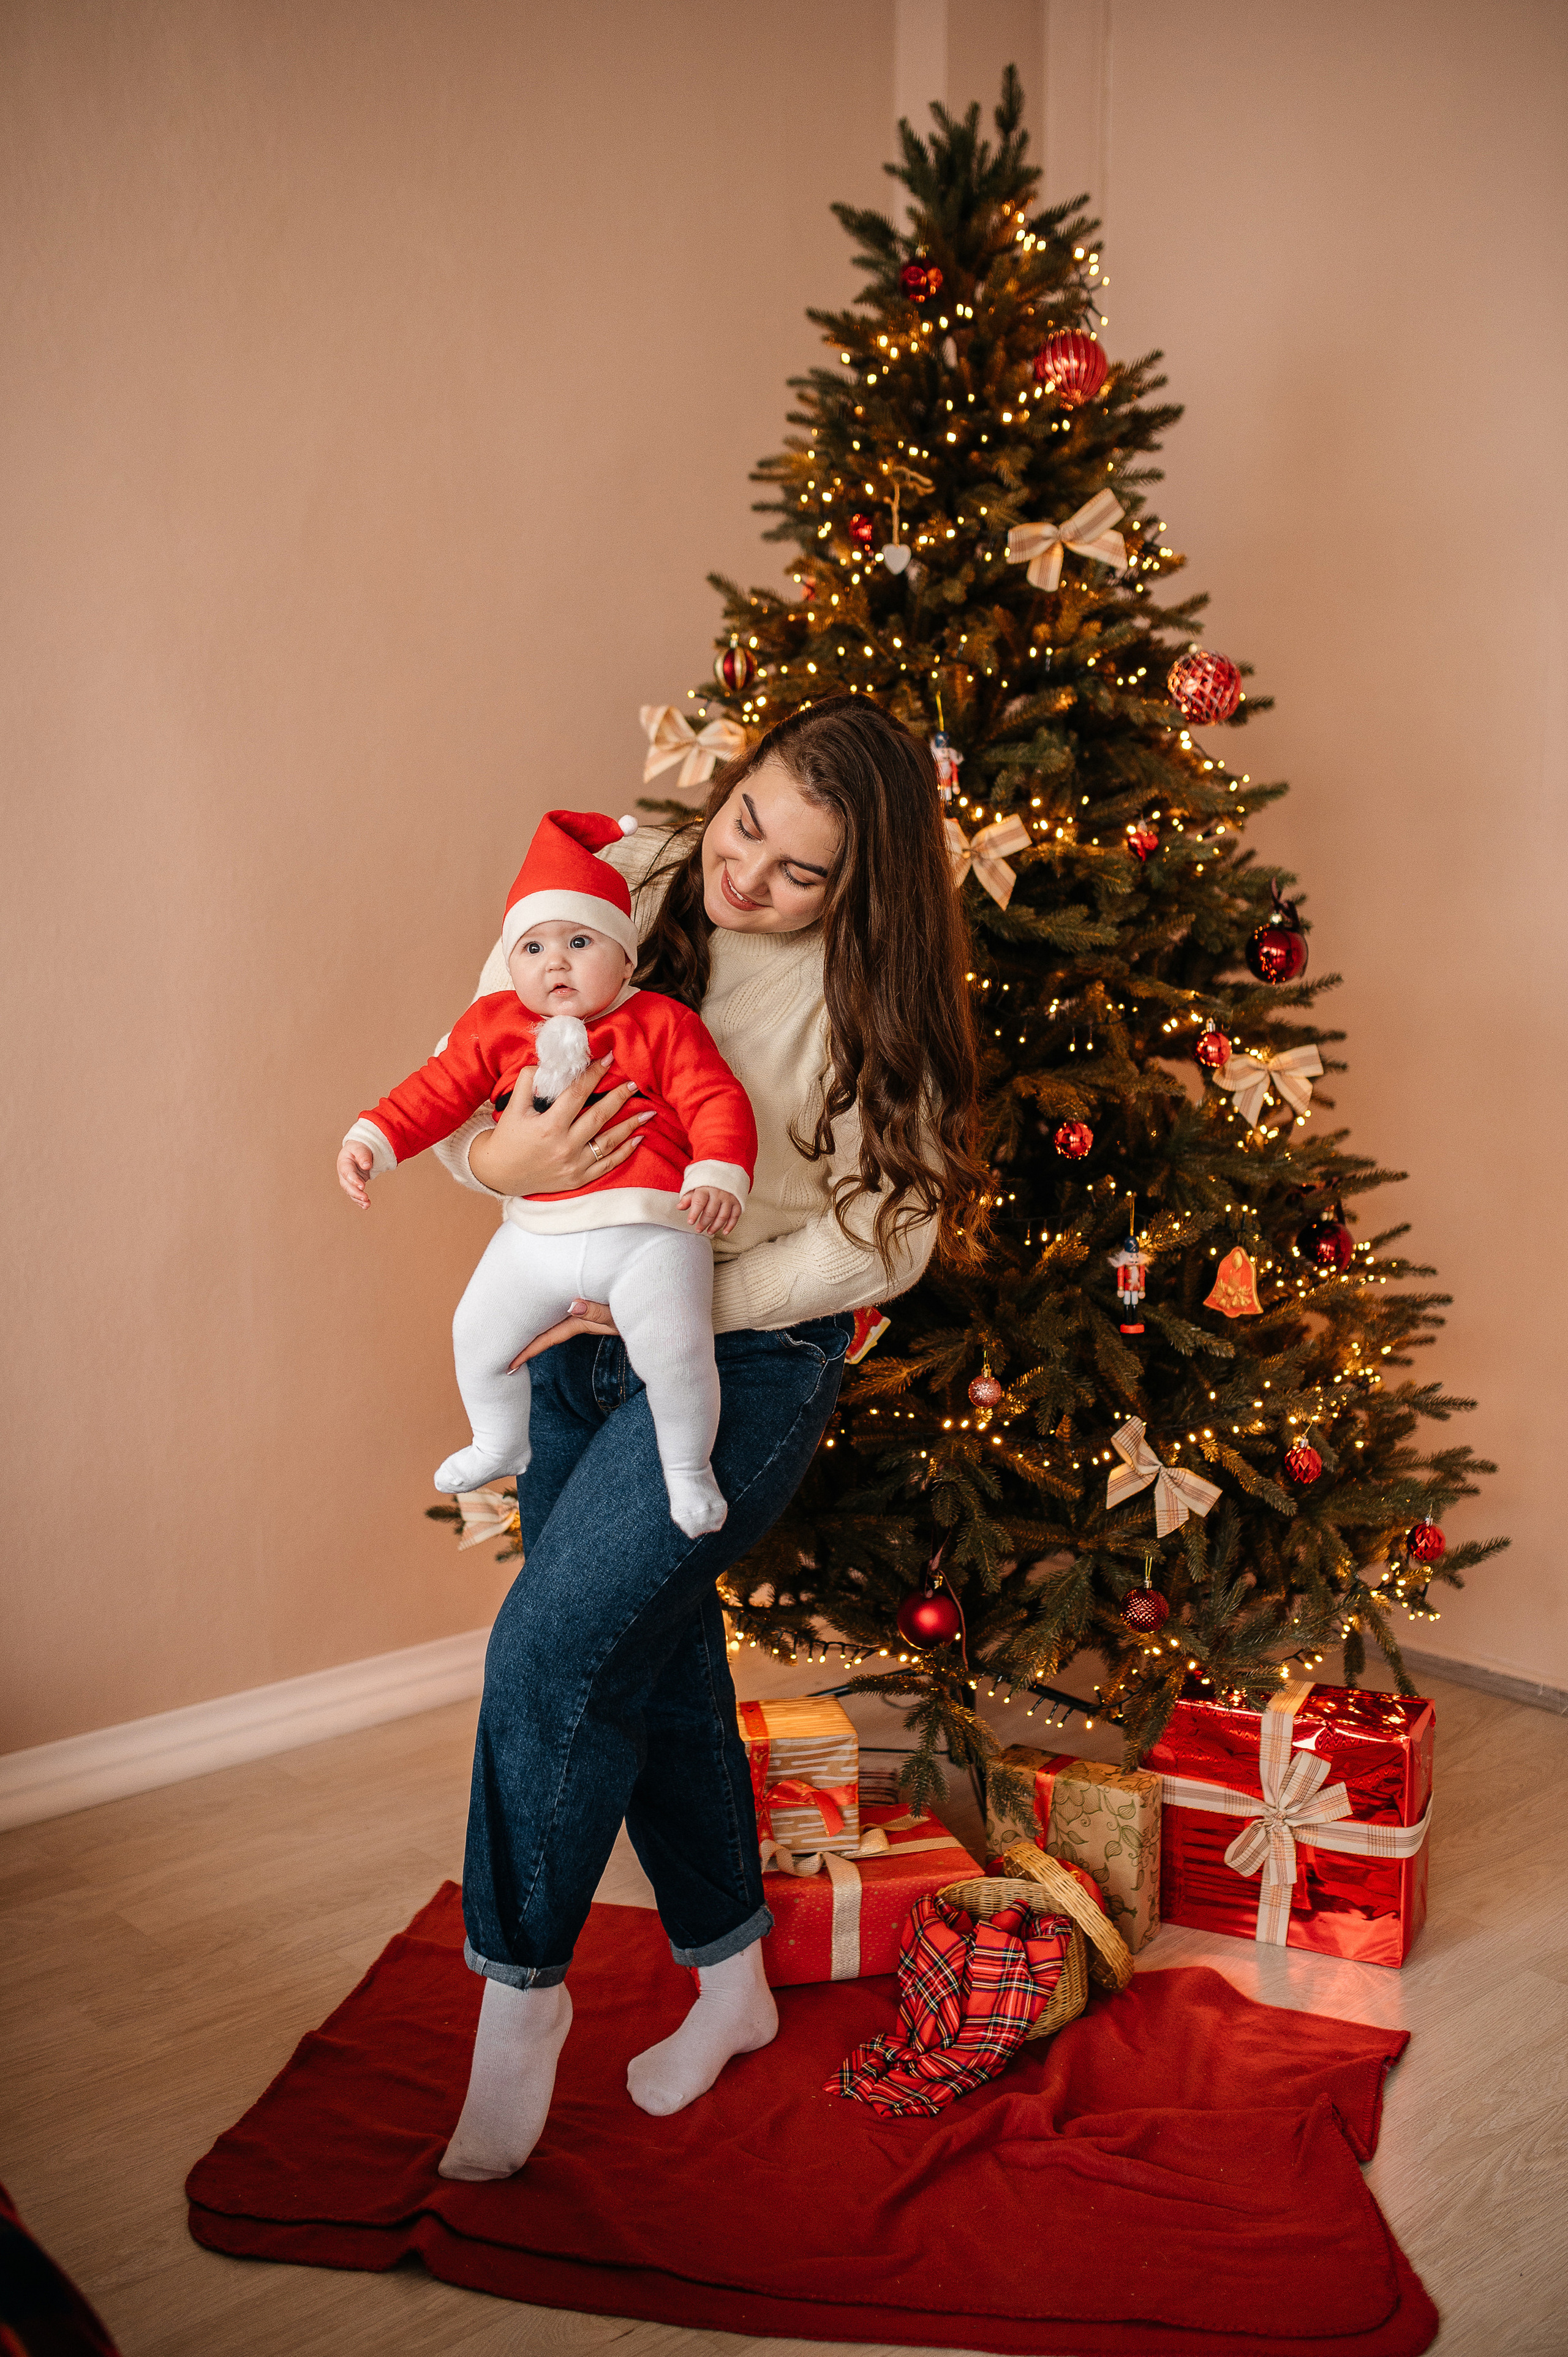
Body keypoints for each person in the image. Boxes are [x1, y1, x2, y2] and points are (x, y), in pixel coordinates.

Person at [431, 696, 983, 2181]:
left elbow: (892, 1234)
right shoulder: (639, 875)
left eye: (799, 870)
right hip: (576, 1343)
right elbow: (474, 1070)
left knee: (549, 1651)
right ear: (724, 789)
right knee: (654, 1661)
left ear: (856, 888)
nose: (748, 878)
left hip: (745, 1365)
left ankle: (518, 2009)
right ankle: (729, 1980)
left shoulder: (872, 1000)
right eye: (746, 825)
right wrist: (506, 1159)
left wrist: (675, 1289)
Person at [336, 808, 757, 1537]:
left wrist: (718, 1169)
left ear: (625, 959)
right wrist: (372, 1139)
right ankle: (499, 1440)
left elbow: (713, 1096)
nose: (554, 961)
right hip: (534, 1235)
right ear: (513, 962)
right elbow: (435, 1093)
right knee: (476, 1332)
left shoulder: (662, 1022)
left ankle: (687, 1470)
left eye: (579, 940)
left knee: (677, 1351)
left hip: (649, 1229)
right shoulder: (492, 1025)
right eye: (532, 946)